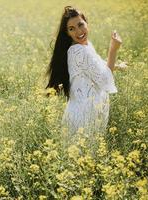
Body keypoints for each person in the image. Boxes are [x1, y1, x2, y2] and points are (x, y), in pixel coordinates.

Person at [46, 6, 123, 144]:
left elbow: (94, 68)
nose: (78, 31)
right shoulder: (79, 51)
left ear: (87, 23)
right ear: (67, 33)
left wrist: (116, 66)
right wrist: (113, 50)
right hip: (84, 117)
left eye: (80, 24)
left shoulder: (84, 47)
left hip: (86, 113)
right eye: (72, 28)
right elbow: (105, 79)